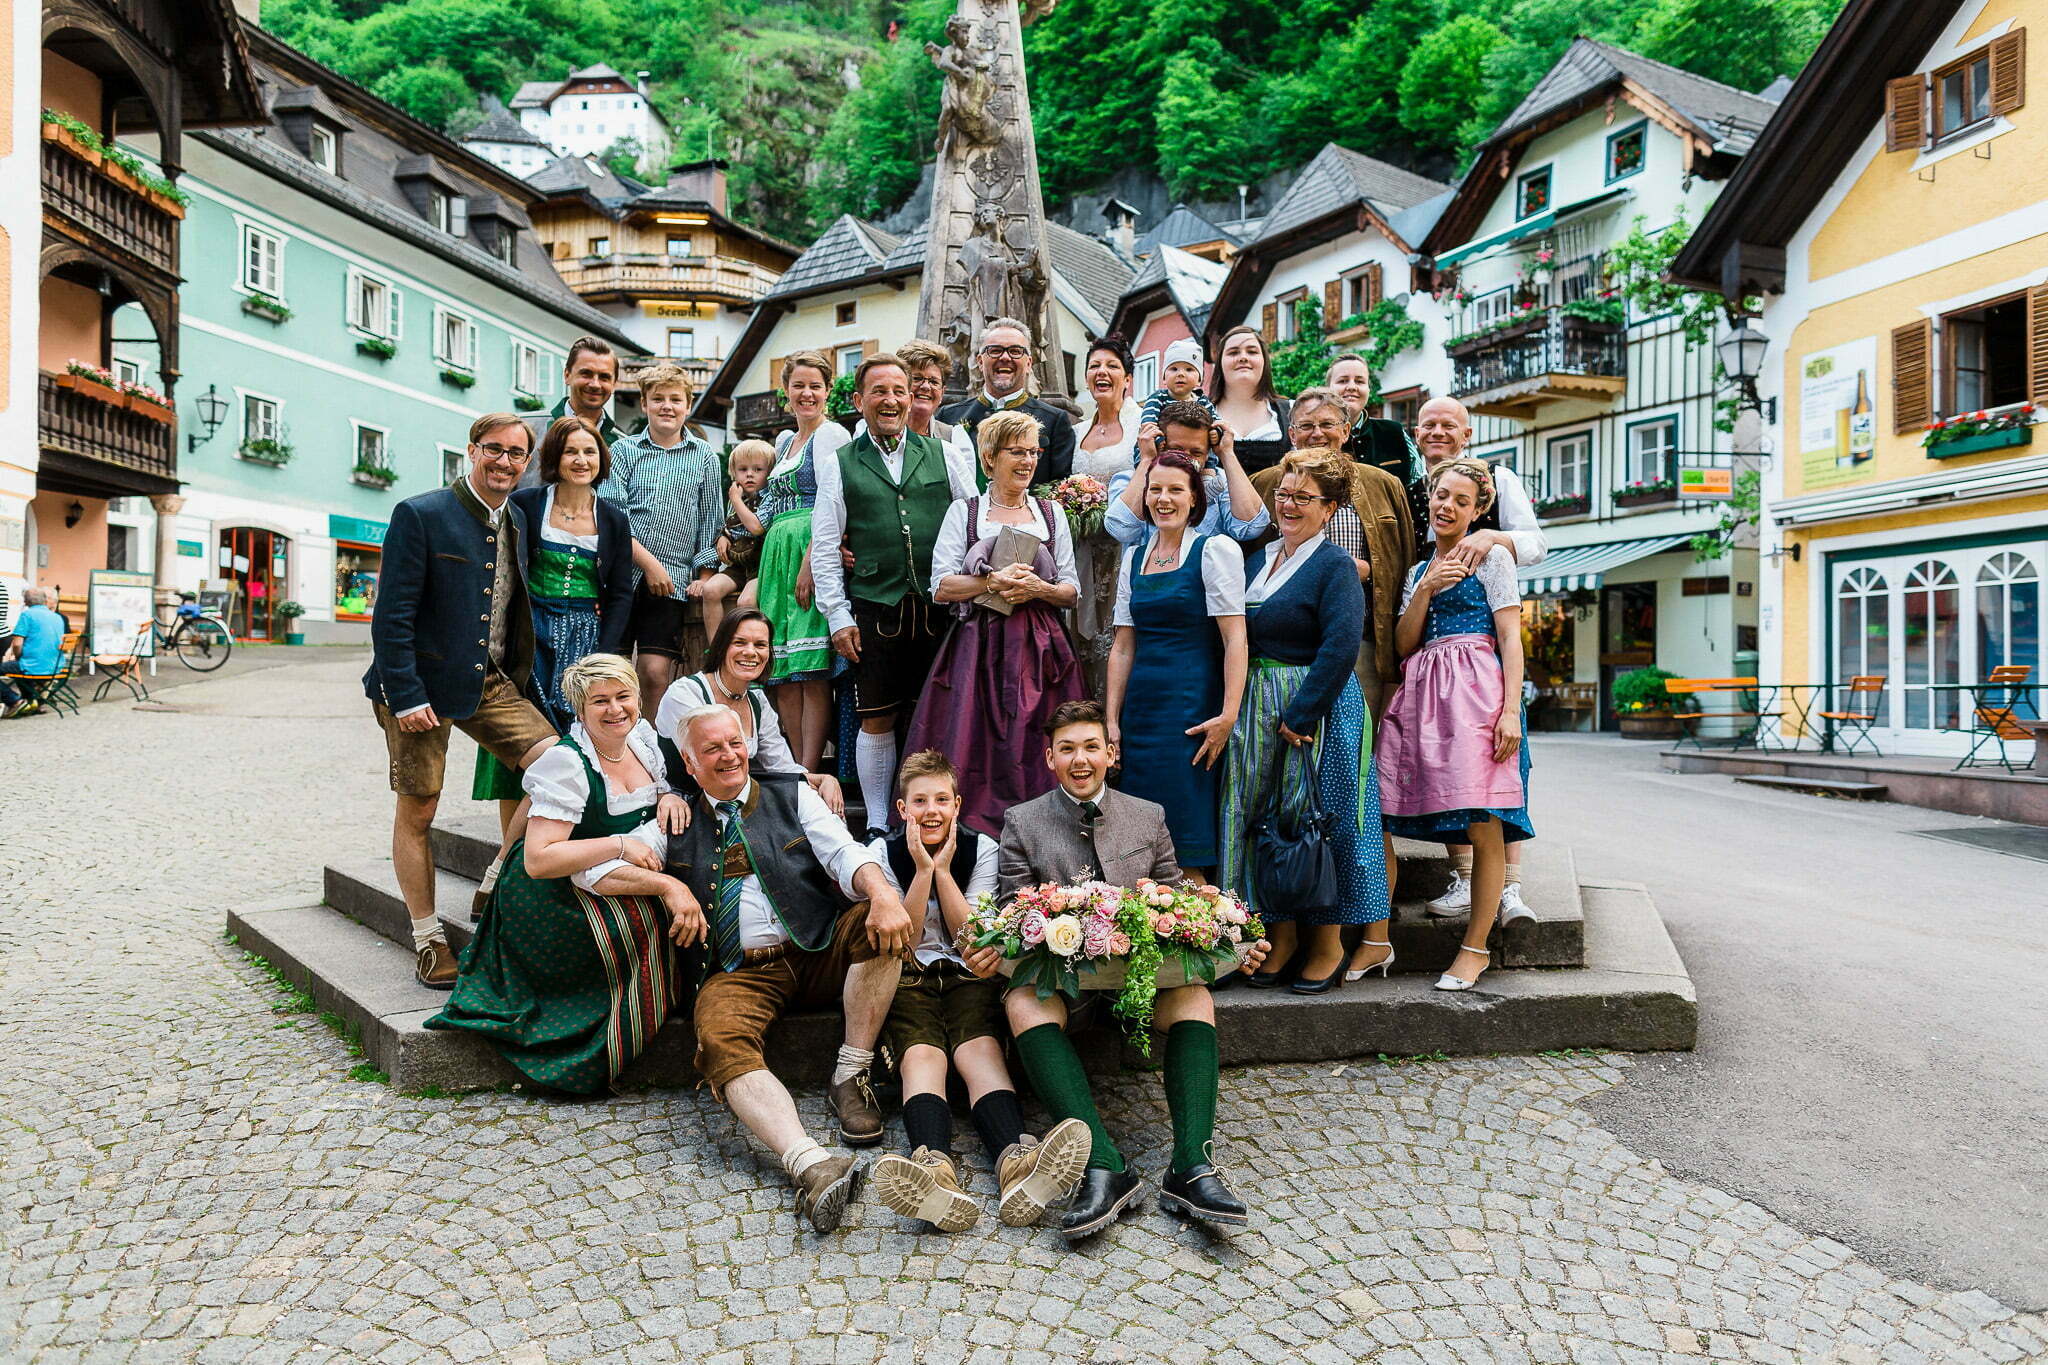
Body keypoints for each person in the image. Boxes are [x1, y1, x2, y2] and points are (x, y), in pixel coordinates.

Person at [988, 701, 1270, 1238]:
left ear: (1111, 754)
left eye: (1091, 746)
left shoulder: (1148, 815)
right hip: (1066, 987)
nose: (1080, 759)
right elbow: (1012, 910)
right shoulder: (1022, 822)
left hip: (1143, 982)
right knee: (1021, 1000)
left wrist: (1235, 937)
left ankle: (1192, 1166)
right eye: (1067, 748)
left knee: (1195, 996)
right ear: (1049, 758)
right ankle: (1105, 1164)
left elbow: (1177, 897)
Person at [665, 703, 916, 1233]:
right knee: (719, 1039)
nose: (729, 755)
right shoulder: (675, 816)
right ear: (690, 763)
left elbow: (844, 855)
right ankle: (811, 1164)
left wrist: (882, 894)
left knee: (882, 924)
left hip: (815, 944)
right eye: (712, 748)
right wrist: (666, 885)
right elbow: (600, 870)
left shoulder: (789, 792)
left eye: (735, 742)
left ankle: (850, 1075)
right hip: (739, 972)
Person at [426, 656, 701, 1088]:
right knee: (639, 923)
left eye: (623, 696)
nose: (615, 710)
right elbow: (539, 859)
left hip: (605, 871)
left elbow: (665, 787)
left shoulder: (642, 740)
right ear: (580, 709)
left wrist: (669, 794)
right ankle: (590, 1035)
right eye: (600, 702)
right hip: (549, 892)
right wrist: (619, 844)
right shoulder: (567, 763)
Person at [363, 413, 561, 988]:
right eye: (494, 450)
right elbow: (391, 616)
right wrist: (404, 695)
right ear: (471, 452)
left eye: (517, 454)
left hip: (489, 681)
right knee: (419, 808)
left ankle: (496, 875)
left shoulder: (518, 520)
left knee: (560, 764)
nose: (505, 461)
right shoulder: (420, 513)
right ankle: (427, 940)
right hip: (418, 686)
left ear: (527, 463)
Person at [867, 750, 1092, 1232]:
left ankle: (1017, 1162)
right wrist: (920, 870)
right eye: (920, 801)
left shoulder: (983, 849)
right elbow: (901, 940)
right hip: (908, 975)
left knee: (981, 1053)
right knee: (921, 1058)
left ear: (957, 804)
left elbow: (971, 942)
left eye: (942, 800)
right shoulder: (880, 854)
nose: (932, 810)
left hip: (969, 974)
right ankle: (934, 1171)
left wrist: (943, 872)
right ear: (902, 809)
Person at [1219, 449, 1392, 994]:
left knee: (1326, 820)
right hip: (1257, 705)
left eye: (1304, 497)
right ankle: (1283, 935)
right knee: (1270, 822)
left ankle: (1328, 943)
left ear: (1331, 508)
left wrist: (1301, 712)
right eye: (1284, 494)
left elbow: (1341, 647)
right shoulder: (1259, 557)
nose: (1289, 505)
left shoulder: (1334, 565)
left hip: (1318, 710)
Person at [468, 416, 639, 908]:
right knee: (515, 753)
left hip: (585, 640)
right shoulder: (525, 505)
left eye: (590, 452)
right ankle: (511, 868)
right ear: (554, 460)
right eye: (571, 452)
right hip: (529, 639)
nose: (581, 460)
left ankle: (511, 865)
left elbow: (620, 593)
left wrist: (604, 655)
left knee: (570, 755)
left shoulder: (611, 518)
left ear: (601, 459)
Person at [1379, 459, 1531, 991]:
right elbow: (1403, 646)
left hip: (1478, 695)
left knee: (1484, 820)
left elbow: (1511, 638)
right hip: (1426, 701)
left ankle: (1475, 947)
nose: (1447, 506)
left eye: (1461, 501)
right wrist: (1424, 589)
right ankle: (1379, 938)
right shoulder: (1419, 571)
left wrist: (1510, 710)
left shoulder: (1491, 558)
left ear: (1477, 511)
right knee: (1390, 813)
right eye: (1441, 495)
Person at [813, 353, 980, 832]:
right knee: (876, 718)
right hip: (874, 607)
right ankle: (880, 824)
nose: (890, 400)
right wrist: (838, 616)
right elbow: (825, 549)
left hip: (941, 611)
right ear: (860, 401)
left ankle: (944, 817)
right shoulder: (838, 462)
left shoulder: (946, 453)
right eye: (879, 391)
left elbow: (972, 524)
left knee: (943, 714)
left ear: (911, 398)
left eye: (898, 391)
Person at [905, 410, 1084, 837]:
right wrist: (992, 580)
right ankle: (974, 837)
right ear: (989, 458)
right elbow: (940, 586)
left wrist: (1038, 588)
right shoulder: (965, 513)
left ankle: (1047, 830)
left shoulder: (1051, 513)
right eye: (1015, 452)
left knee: (1037, 736)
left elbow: (1071, 590)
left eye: (1032, 453)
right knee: (974, 739)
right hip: (977, 646)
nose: (1026, 462)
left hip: (1040, 649)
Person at [1405, 397, 1548, 926]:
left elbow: (1535, 544)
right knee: (1449, 769)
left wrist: (1492, 535)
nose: (1438, 430)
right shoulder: (1411, 486)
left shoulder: (1497, 479)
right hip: (1431, 644)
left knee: (1500, 770)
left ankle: (1508, 887)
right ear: (1415, 433)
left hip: (1482, 642)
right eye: (1429, 424)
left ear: (1466, 433)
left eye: (1449, 424)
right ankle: (1464, 878)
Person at [1105, 452, 1247, 879]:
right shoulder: (1133, 557)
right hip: (1141, 712)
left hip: (1191, 710)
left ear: (1194, 498)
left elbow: (1235, 637)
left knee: (1185, 846)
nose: (1163, 499)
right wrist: (1112, 720)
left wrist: (1228, 714)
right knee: (1133, 843)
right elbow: (1123, 646)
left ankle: (1195, 937)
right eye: (1155, 489)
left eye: (1175, 490)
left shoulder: (1214, 550)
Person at [1255, 388, 1415, 716]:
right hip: (1281, 646)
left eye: (1327, 424)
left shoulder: (1383, 484)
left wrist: (1364, 571)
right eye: (1307, 426)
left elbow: (1405, 561)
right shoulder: (1262, 484)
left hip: (1361, 643)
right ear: (1292, 434)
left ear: (1345, 430)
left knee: (1352, 743)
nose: (1317, 433)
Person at [598, 362, 724, 705]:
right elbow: (613, 516)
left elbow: (710, 520)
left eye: (675, 399)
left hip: (672, 578)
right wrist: (649, 564)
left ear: (688, 405)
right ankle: (611, 750)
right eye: (657, 399)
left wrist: (705, 574)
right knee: (612, 671)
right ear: (644, 404)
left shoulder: (704, 457)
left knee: (654, 673)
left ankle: (649, 752)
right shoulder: (624, 451)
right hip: (622, 573)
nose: (666, 406)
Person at [754, 352, 850, 773]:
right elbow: (769, 506)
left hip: (809, 547)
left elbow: (836, 505)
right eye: (798, 386)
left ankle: (811, 767)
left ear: (828, 391)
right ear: (786, 392)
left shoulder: (831, 436)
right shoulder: (782, 442)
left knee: (812, 670)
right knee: (783, 670)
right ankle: (792, 763)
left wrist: (812, 562)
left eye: (815, 386)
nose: (806, 393)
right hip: (776, 552)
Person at [652, 607, 844, 816]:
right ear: (722, 646)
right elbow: (706, 773)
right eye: (740, 642)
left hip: (733, 799)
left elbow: (782, 768)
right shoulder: (685, 694)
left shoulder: (756, 701)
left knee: (818, 807)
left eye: (760, 645)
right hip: (684, 807)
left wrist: (823, 780)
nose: (751, 652)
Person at [1069, 335, 1142, 695]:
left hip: (1123, 548)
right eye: (1095, 365)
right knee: (1080, 638)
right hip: (1082, 547)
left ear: (1128, 379)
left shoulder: (1142, 426)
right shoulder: (1075, 432)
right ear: (1085, 378)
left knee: (1117, 635)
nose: (1102, 372)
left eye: (1112, 366)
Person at [1104, 400, 1267, 548]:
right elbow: (1121, 529)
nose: (1186, 459)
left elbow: (1251, 527)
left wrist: (1227, 454)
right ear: (1159, 444)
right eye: (1177, 449)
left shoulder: (1220, 481)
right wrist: (1147, 459)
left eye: (1196, 452)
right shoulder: (1128, 480)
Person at [937, 317, 1077, 486]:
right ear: (980, 362)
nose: (1005, 357)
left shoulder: (1055, 421)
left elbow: (1059, 488)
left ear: (1028, 364)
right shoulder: (948, 417)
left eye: (1015, 351)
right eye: (995, 350)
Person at [689, 438, 775, 643]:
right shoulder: (738, 498)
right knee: (710, 590)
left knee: (746, 601)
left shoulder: (770, 497)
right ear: (734, 473)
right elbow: (732, 525)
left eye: (758, 469)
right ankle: (717, 647)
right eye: (743, 469)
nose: (750, 474)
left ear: (770, 472)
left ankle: (748, 646)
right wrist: (723, 536)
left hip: (759, 565)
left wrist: (735, 500)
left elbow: (756, 527)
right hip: (738, 564)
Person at [519, 335, 629, 487]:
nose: (595, 384)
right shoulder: (526, 428)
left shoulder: (623, 445)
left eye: (604, 377)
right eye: (586, 374)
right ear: (567, 375)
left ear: (614, 384)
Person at [864, 338, 976, 467]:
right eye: (917, 378)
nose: (926, 387)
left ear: (942, 393)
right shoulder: (871, 430)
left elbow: (966, 486)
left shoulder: (954, 438)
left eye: (934, 382)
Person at [1210, 324, 1292, 475]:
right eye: (1233, 352)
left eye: (1252, 351)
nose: (1243, 357)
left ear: (1264, 361)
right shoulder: (1201, 414)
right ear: (1220, 363)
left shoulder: (1292, 412)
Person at [1326, 352, 1418, 485]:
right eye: (1342, 381)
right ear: (1328, 389)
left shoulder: (1394, 432)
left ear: (1368, 389)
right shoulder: (1317, 435)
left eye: (1359, 381)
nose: (1352, 387)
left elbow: (1417, 487)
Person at [0, 587, 68, 718]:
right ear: (44, 601)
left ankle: (14, 701)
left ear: (26, 602)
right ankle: (32, 701)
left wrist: (18, 656)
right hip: (54, 667)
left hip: (33, 667)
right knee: (18, 667)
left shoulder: (27, 615)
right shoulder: (57, 617)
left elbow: (17, 643)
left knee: (19, 666)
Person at [1135, 337, 1217, 444]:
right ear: (1164, 378)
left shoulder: (1203, 402)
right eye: (1174, 369)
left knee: (1212, 455)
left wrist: (1216, 432)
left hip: (1194, 448)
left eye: (1189, 369)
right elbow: (1148, 424)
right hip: (1164, 447)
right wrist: (1158, 440)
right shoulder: (1157, 399)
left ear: (1199, 380)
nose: (1180, 374)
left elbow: (1216, 421)